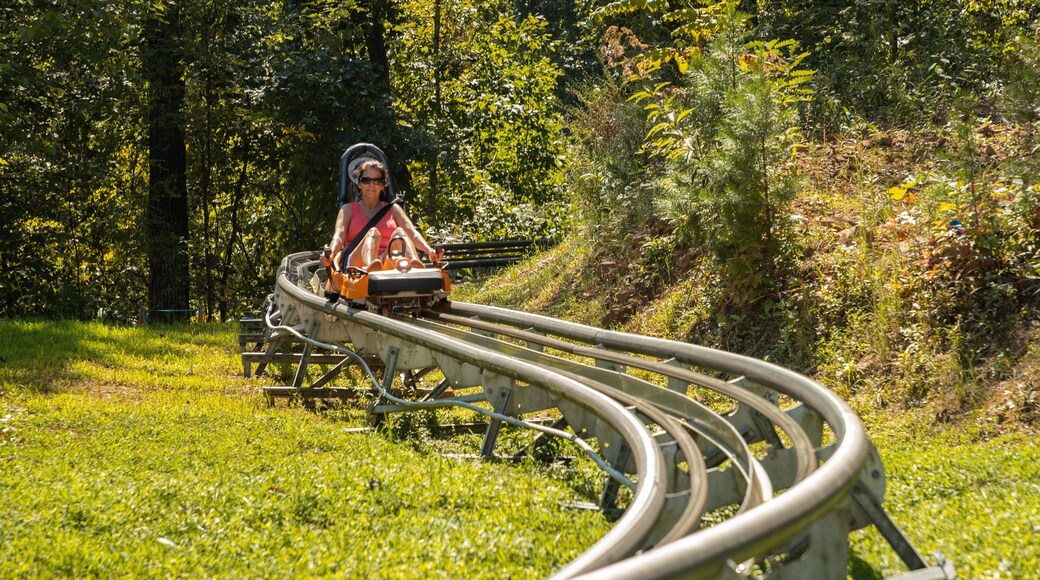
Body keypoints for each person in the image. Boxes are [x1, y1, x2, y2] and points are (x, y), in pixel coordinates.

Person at [327, 159, 444, 272]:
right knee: (372, 233)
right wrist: (330, 253)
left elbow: (412, 233)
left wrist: (430, 251)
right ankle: (370, 268)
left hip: (385, 260)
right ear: (359, 183)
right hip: (356, 262)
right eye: (366, 180)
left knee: (400, 233)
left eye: (377, 181)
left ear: (383, 185)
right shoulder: (348, 209)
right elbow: (338, 236)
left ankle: (414, 265)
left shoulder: (393, 209)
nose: (371, 185)